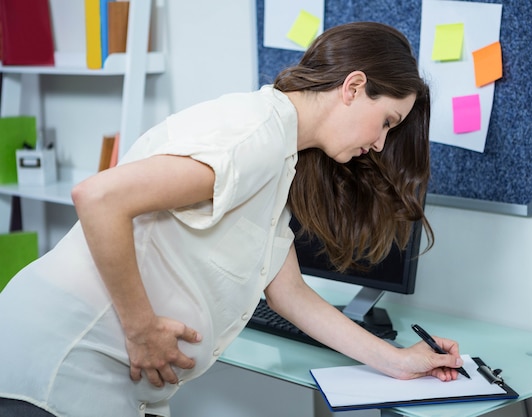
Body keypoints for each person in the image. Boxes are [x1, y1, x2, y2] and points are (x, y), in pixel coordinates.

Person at [0, 22, 464, 417]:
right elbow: (100, 197)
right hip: (58, 365)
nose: (382, 144)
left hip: (105, 380)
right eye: (386, 121)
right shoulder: (254, 137)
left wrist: (399, 362)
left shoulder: (281, 156)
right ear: (353, 87)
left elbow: (289, 294)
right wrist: (142, 330)